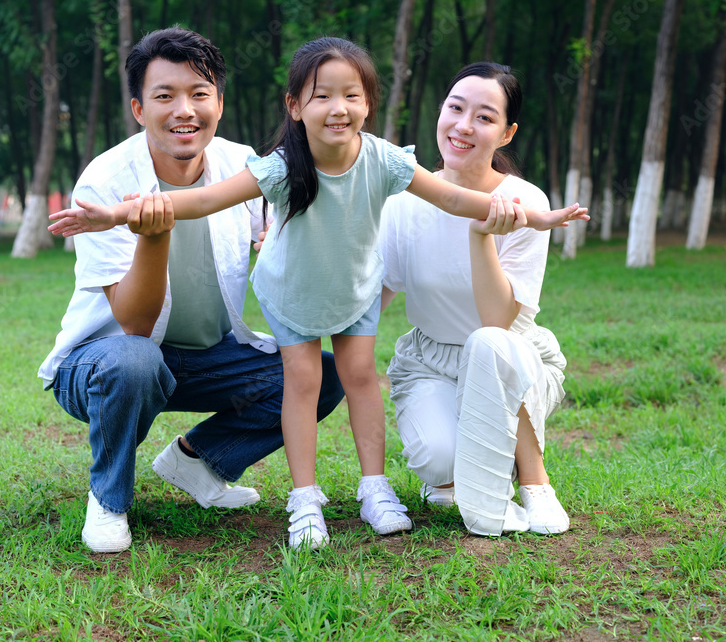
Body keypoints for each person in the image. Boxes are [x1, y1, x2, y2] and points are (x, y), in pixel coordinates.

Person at [50, 38, 588, 549]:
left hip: (342, 295)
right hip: (235, 316)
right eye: (321, 95)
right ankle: (275, 500)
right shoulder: (267, 167)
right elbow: (198, 204)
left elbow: (452, 199)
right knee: (271, 378)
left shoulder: (377, 160)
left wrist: (540, 216)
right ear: (294, 105)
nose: (337, 107)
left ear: (369, 104)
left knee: (352, 378)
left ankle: (360, 487)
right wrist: (119, 214)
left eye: (351, 95)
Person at [39, 27, 346, 554]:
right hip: (105, 362)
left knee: (322, 375)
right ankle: (109, 500)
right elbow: (134, 325)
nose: (185, 110)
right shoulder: (106, 180)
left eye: (199, 94)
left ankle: (198, 461)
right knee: (134, 361)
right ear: (138, 108)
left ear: (219, 104)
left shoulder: (240, 165)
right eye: (165, 96)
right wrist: (154, 238)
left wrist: (282, 246)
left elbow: (275, 247)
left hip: (209, 357)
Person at [380, 62, 572, 537]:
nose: (464, 126)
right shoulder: (403, 201)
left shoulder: (525, 202)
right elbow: (373, 298)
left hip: (510, 355)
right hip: (431, 359)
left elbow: (497, 319)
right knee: (438, 460)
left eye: (485, 118)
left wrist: (481, 236)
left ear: (506, 134)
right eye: (455, 108)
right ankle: (461, 467)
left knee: (488, 342)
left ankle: (533, 482)